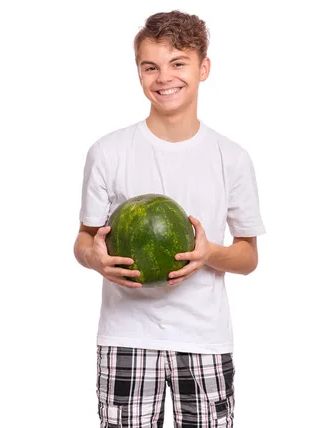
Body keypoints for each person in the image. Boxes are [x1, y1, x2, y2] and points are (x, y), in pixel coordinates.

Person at [74, 10, 265, 427]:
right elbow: (84, 240)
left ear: (203, 67)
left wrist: (210, 253)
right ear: (139, 72)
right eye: (150, 67)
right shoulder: (107, 152)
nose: (164, 78)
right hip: (126, 335)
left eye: (178, 63)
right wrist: (95, 259)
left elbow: (249, 257)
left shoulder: (231, 158)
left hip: (205, 340)